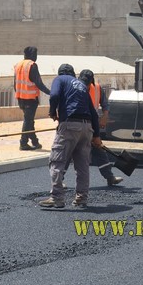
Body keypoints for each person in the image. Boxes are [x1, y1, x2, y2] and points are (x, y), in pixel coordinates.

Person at [38, 64, 102, 209]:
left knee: (57, 161)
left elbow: (54, 95)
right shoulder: (81, 85)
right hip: (87, 128)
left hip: (70, 125)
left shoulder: (60, 80)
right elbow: (93, 112)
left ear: (60, 73)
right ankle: (81, 198)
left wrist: (52, 112)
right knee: (82, 165)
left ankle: (57, 197)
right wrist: (96, 135)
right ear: (73, 74)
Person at [78, 69, 124, 186]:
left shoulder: (97, 88)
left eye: (88, 83)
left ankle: (110, 177)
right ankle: (59, 181)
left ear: (92, 81)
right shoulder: (75, 88)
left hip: (92, 126)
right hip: (78, 126)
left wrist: (105, 116)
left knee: (99, 151)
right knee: (68, 153)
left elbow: (105, 104)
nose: (87, 85)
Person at [13, 46, 51, 151]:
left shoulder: (18, 65)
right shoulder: (32, 65)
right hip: (30, 98)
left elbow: (14, 84)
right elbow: (39, 83)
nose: (36, 57)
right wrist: (51, 93)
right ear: (32, 55)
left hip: (20, 98)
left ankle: (35, 141)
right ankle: (23, 143)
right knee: (27, 120)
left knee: (29, 121)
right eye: (36, 55)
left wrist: (19, 94)